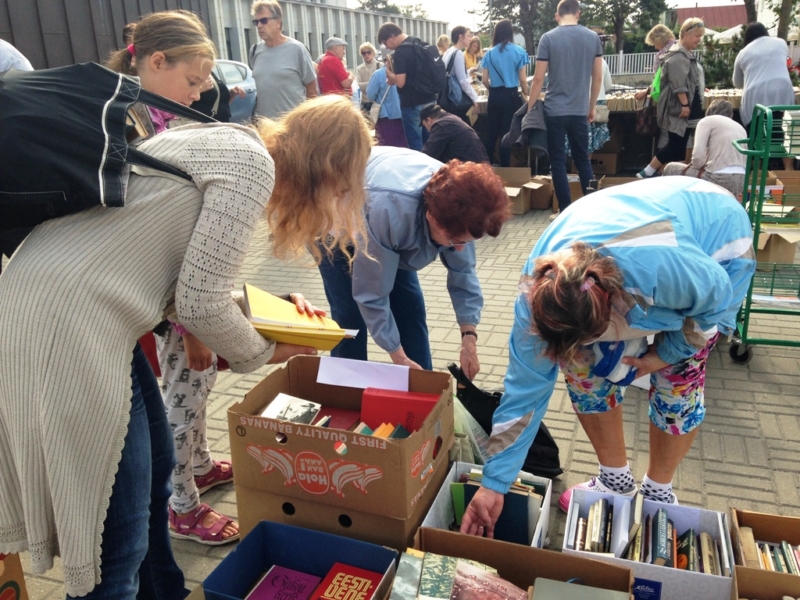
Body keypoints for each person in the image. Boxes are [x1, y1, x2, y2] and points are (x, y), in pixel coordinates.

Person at [0, 29, 372, 589]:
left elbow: (177, 280)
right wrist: (268, 351)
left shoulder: (223, 140)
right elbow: (198, 304)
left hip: (66, 307)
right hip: (70, 325)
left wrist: (266, 308)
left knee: (151, 479)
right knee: (113, 546)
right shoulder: (250, 164)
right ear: (330, 168)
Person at [459, 176, 756, 538]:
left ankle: (659, 490)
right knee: (582, 370)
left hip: (719, 244)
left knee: (678, 381)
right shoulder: (534, 304)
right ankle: (615, 480)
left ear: (613, 310)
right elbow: (523, 396)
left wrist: (667, 353)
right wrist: (494, 483)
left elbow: (715, 300)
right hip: (629, 236)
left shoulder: (663, 267)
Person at [107, 10, 245, 547]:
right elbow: (159, 233)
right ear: (156, 61)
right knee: (182, 394)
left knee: (197, 386)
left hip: (182, 292)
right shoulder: (127, 123)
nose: (201, 91)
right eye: (193, 79)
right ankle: (182, 504)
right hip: (170, 299)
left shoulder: (153, 113)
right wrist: (193, 327)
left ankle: (200, 466)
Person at [317, 148, 510, 379]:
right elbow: (371, 296)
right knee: (350, 316)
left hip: (386, 218)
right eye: (455, 241)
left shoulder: (465, 205)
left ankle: (422, 386)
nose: (460, 248)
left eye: (467, 241)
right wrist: (397, 355)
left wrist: (469, 338)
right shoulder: (388, 212)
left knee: (410, 307)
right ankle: (345, 387)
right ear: (431, 218)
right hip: (335, 219)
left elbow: (464, 272)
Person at [526, 0, 602, 217]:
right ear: (578, 14)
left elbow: (538, 79)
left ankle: (565, 210)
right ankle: (593, 210)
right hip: (579, 110)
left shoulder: (548, 38)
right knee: (582, 159)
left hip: (554, 111)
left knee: (557, 162)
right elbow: (597, 77)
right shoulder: (593, 38)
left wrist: (530, 108)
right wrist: (591, 107)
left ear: (557, 16)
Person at [637, 18, 705, 179]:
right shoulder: (678, 55)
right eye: (697, 36)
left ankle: (675, 176)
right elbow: (678, 84)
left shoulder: (681, 53)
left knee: (679, 143)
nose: (699, 40)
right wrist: (685, 105)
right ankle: (648, 171)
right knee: (676, 143)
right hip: (680, 107)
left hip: (684, 106)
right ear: (686, 34)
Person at [734, 22, 796, 170]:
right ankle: (788, 170)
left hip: (755, 96)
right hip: (783, 91)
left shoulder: (743, 53)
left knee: (756, 135)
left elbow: (737, 83)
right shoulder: (781, 43)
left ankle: (757, 170)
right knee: (785, 132)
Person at [663, 100, 747, 197]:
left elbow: (698, 157)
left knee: (670, 168)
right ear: (731, 115)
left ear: (709, 111)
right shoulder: (740, 127)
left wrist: (696, 166)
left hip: (717, 178)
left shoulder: (707, 121)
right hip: (740, 180)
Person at [250, 0, 317, 118]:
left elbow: (311, 90)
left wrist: (308, 120)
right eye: (256, 22)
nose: (259, 26)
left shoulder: (297, 49)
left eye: (264, 20)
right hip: (266, 125)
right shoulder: (255, 51)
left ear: (278, 22)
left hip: (293, 124)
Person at [378, 22, 439, 151]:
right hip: (430, 100)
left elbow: (400, 82)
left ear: (391, 36)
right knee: (431, 141)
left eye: (385, 43)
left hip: (412, 104)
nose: (387, 47)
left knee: (415, 143)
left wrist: (388, 72)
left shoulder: (401, 52)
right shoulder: (419, 43)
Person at [480, 20, 530, 167]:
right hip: (511, 96)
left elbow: (484, 79)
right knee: (506, 133)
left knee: (491, 133)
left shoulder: (489, 53)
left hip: (494, 96)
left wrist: (492, 90)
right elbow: (523, 79)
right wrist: (526, 93)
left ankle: (487, 165)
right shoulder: (519, 51)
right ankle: (505, 167)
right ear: (510, 33)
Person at [421, 103, 489, 163]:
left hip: (471, 167)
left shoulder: (442, 125)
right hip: (479, 163)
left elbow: (428, 153)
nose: (427, 130)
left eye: (425, 125)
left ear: (429, 120)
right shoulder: (451, 118)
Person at [366, 52, 408, 147]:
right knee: (404, 144)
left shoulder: (378, 74)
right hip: (405, 113)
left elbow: (370, 95)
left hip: (386, 115)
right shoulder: (406, 73)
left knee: (386, 144)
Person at [442, 26, 480, 124]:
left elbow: (453, 74)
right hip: (456, 99)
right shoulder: (458, 53)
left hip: (447, 97)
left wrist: (468, 71)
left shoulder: (449, 52)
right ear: (461, 37)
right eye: (468, 36)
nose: (470, 39)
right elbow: (463, 82)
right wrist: (475, 99)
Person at [634, 24, 677, 103]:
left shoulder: (661, 55)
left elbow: (660, 80)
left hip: (668, 98)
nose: (655, 47)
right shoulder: (681, 47)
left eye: (654, 43)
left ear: (658, 39)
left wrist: (647, 91)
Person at [356, 42, 380, 113]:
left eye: (369, 52)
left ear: (373, 53)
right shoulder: (359, 68)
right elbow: (359, 86)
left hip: (377, 102)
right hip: (365, 103)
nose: (366, 55)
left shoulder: (380, 66)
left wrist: (365, 84)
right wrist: (374, 83)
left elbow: (383, 85)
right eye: (364, 53)